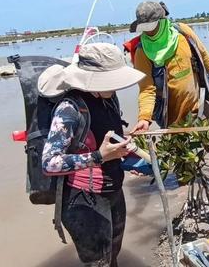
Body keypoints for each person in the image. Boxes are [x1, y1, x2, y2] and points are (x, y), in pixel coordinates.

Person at [38, 42, 146, 266]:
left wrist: (125, 151)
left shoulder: (109, 99)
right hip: (83, 200)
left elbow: (102, 136)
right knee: (98, 262)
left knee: (112, 254)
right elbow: (49, 163)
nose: (116, 86)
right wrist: (98, 157)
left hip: (113, 190)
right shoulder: (69, 108)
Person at [123, 0, 209, 132]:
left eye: (151, 27)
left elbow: (204, 56)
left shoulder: (182, 31)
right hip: (172, 117)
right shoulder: (142, 51)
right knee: (181, 152)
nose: (149, 32)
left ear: (162, 20)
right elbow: (147, 89)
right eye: (145, 28)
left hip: (199, 105)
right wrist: (144, 118)